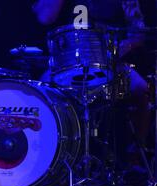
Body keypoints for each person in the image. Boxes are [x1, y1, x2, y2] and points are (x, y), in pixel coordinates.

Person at [32, 0, 151, 172]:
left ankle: (134, 158)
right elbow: (45, 17)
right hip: (64, 64)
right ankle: (46, 160)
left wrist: (120, 49)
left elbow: (138, 31)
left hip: (109, 62)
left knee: (142, 89)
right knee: (42, 94)